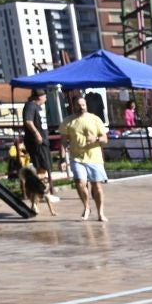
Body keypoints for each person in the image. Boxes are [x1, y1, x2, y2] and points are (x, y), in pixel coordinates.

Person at [59, 93, 109, 223]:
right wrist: (63, 159)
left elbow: (105, 139)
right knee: (80, 183)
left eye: (83, 105)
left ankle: (100, 213)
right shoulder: (68, 121)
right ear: (73, 106)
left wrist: (96, 139)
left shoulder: (95, 119)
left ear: (86, 105)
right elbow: (64, 142)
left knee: (96, 186)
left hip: (94, 156)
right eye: (79, 105)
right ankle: (87, 207)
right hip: (77, 157)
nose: (81, 107)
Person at [20, 87, 53, 182]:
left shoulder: (38, 107)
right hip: (36, 142)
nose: (46, 98)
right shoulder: (30, 105)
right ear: (40, 96)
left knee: (45, 166)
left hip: (43, 141)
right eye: (45, 96)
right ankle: (39, 190)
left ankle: (42, 190)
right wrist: (36, 134)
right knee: (41, 166)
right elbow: (28, 121)